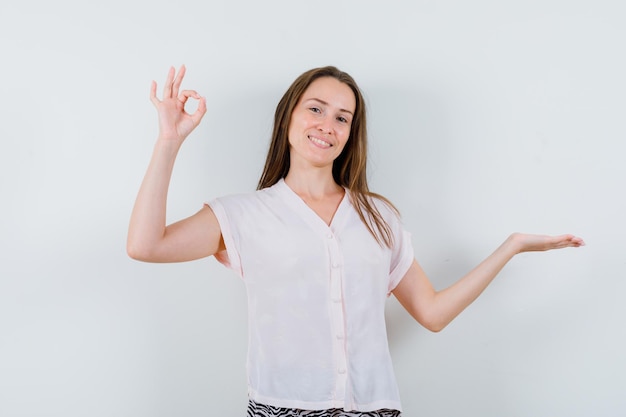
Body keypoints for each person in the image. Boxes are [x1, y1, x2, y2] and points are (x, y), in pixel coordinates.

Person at [127, 65, 584, 416]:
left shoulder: (378, 216)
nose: (328, 124)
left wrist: (512, 246)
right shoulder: (242, 214)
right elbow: (146, 246)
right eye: (316, 108)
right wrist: (169, 140)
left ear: (350, 134)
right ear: (289, 114)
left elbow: (433, 314)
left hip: (375, 407)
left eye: (342, 117)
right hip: (282, 406)